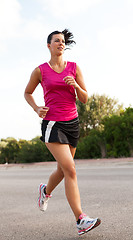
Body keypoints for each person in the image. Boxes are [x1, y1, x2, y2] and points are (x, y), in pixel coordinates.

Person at [24, 29, 101, 235]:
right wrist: (36, 108)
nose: (60, 44)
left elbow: (84, 99)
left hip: (72, 124)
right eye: (56, 41)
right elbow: (27, 92)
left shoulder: (74, 68)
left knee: (62, 170)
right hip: (52, 124)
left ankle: (45, 191)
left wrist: (75, 85)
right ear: (48, 45)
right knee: (71, 170)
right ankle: (80, 219)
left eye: (63, 41)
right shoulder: (40, 71)